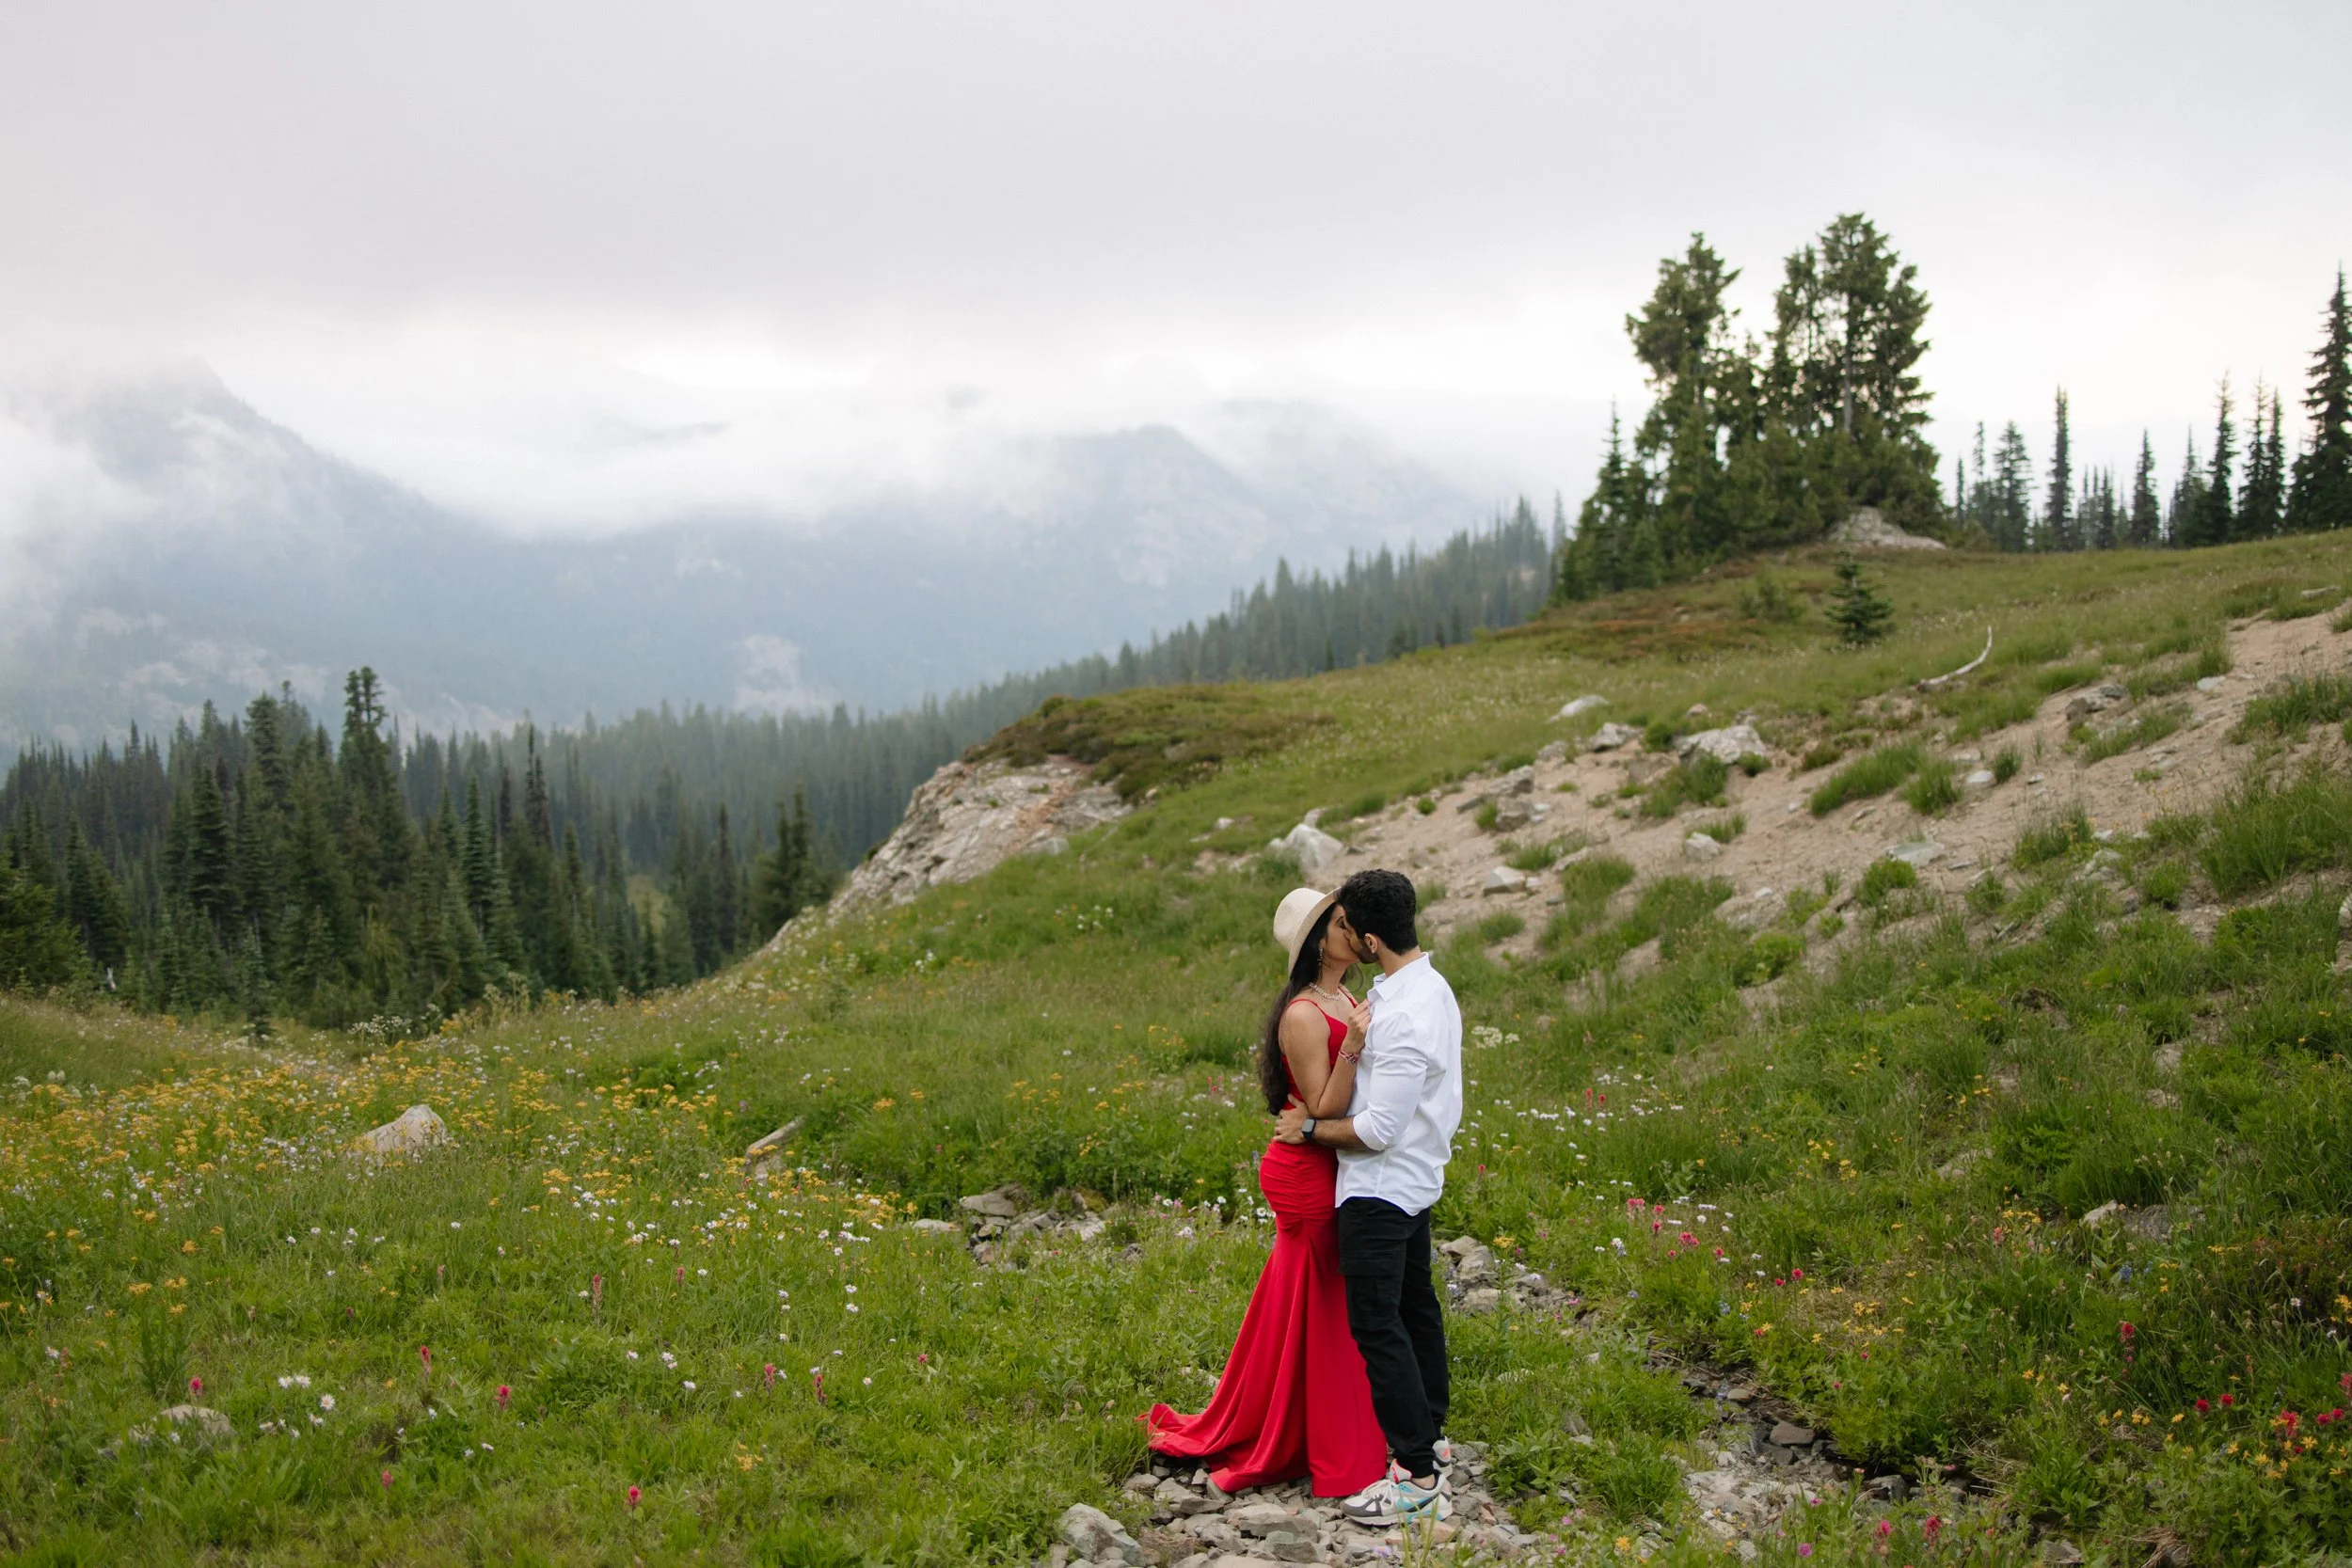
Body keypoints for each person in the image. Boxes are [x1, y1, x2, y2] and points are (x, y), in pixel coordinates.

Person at [1145, 887, 1389, 1498]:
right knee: (1325, 1295)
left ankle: (1305, 1420)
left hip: (1326, 1160)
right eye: (1337, 923)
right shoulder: (1304, 1013)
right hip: (1303, 1167)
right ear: (1317, 942)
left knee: (1313, 1296)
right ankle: (1316, 1436)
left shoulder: (1343, 996)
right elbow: (1325, 1103)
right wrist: (1355, 1044)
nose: (1350, 927)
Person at [1274, 868, 1461, 1528]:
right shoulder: (1419, 987)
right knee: (1416, 1310)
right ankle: (1430, 1439)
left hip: (1382, 1189)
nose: (1344, 934)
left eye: (1349, 924)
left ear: (1372, 937)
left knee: (1378, 1326)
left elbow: (1378, 1130)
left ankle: (1414, 1472)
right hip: (1410, 1184)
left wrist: (1310, 1129)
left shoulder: (1404, 1013)